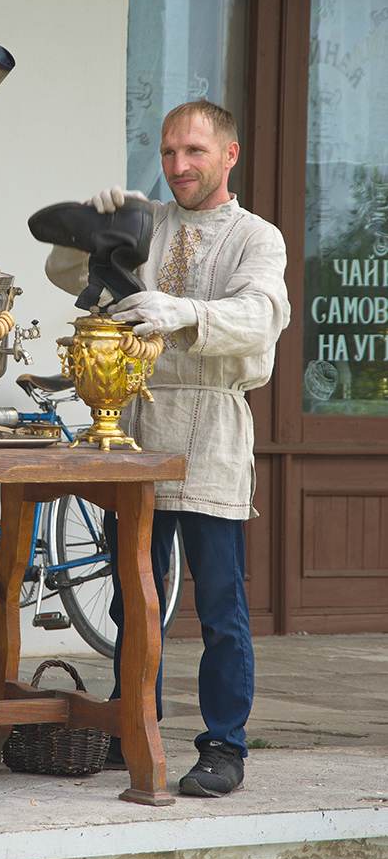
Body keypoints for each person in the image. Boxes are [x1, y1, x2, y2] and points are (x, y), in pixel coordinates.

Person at [44, 100, 290, 797]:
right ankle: (134, 727)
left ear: (228, 155)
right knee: (133, 596)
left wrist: (185, 312)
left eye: (194, 152)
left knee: (219, 605)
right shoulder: (144, 222)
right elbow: (71, 274)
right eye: (168, 153)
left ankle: (224, 747)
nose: (178, 166)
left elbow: (263, 315)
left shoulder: (256, 237)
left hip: (211, 428)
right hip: (136, 426)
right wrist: (87, 229)